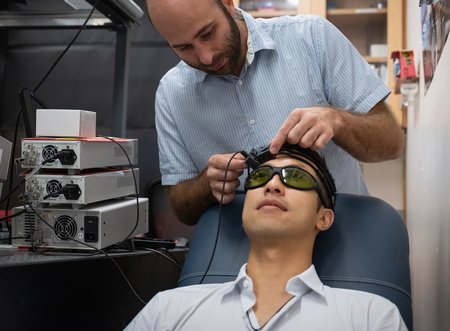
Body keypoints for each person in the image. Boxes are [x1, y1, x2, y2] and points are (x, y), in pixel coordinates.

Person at [146, 0, 406, 225]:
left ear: (227, 4)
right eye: (184, 48)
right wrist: (205, 185)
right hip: (247, 254)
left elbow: (392, 142)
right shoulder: (172, 94)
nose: (205, 56)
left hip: (343, 234)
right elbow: (180, 206)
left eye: (207, 33)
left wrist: (337, 121)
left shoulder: (313, 38)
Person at [125, 143, 407, 330]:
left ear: (324, 217)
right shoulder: (169, 309)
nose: (272, 185)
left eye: (295, 178)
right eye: (259, 178)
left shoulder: (371, 317)